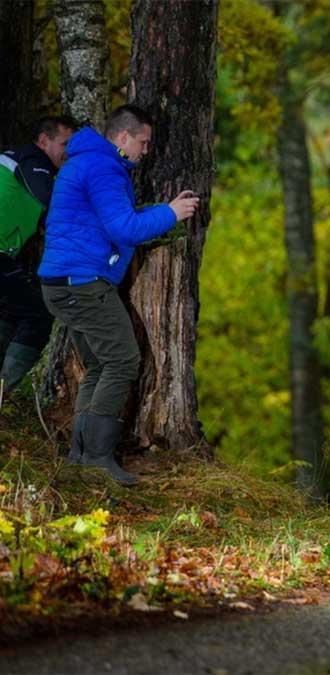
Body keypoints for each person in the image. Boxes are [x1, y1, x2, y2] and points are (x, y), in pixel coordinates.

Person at [39, 105, 199, 485]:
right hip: (81, 283)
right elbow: (124, 228)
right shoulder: (103, 167)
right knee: (123, 361)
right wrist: (171, 213)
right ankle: (95, 457)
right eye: (143, 142)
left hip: (64, 283)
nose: (146, 150)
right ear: (123, 138)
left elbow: (110, 223)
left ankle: (81, 456)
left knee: (99, 365)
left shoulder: (88, 162)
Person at [0, 116, 77, 393]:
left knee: (10, 311)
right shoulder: (34, 160)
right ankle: (5, 394)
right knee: (38, 316)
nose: (69, 152)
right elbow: (50, 199)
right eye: (65, 144)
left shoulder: (24, 163)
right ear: (44, 141)